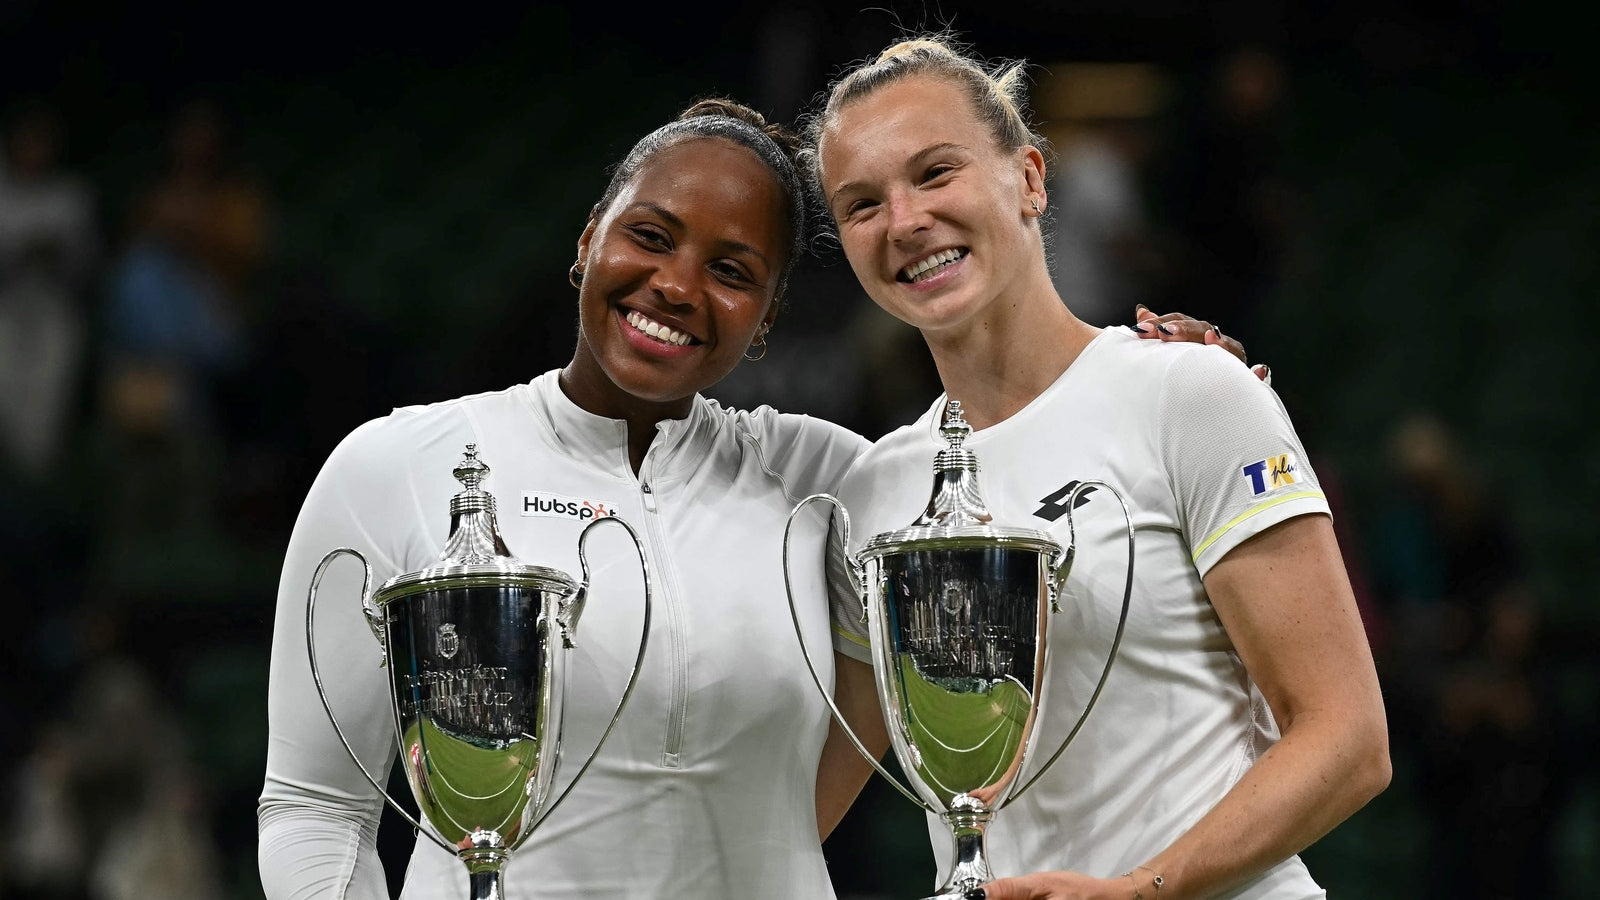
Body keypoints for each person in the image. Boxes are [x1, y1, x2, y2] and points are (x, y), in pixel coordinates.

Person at [258, 96, 1254, 898]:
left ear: (768, 317)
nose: (676, 284)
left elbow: (1044, 489)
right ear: (588, 239)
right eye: (650, 235)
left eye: (731, 271)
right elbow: (313, 808)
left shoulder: (834, 480)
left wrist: (1157, 383)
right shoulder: (397, 466)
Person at [802, 34, 1390, 900]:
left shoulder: (1192, 392)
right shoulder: (874, 492)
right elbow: (799, 811)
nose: (904, 220)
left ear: (1030, 179)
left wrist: (1139, 890)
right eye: (861, 204)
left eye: (935, 173)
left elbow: (1348, 742)